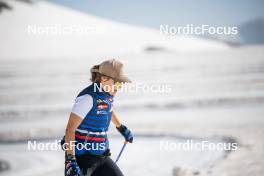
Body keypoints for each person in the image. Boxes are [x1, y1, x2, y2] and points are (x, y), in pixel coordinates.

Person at [63, 59, 133, 176]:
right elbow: (70, 129)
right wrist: (71, 161)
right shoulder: (88, 98)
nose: (119, 87)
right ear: (104, 78)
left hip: (101, 157)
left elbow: (108, 109)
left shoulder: (107, 95)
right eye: (117, 83)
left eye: (121, 84)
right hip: (81, 159)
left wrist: (121, 128)